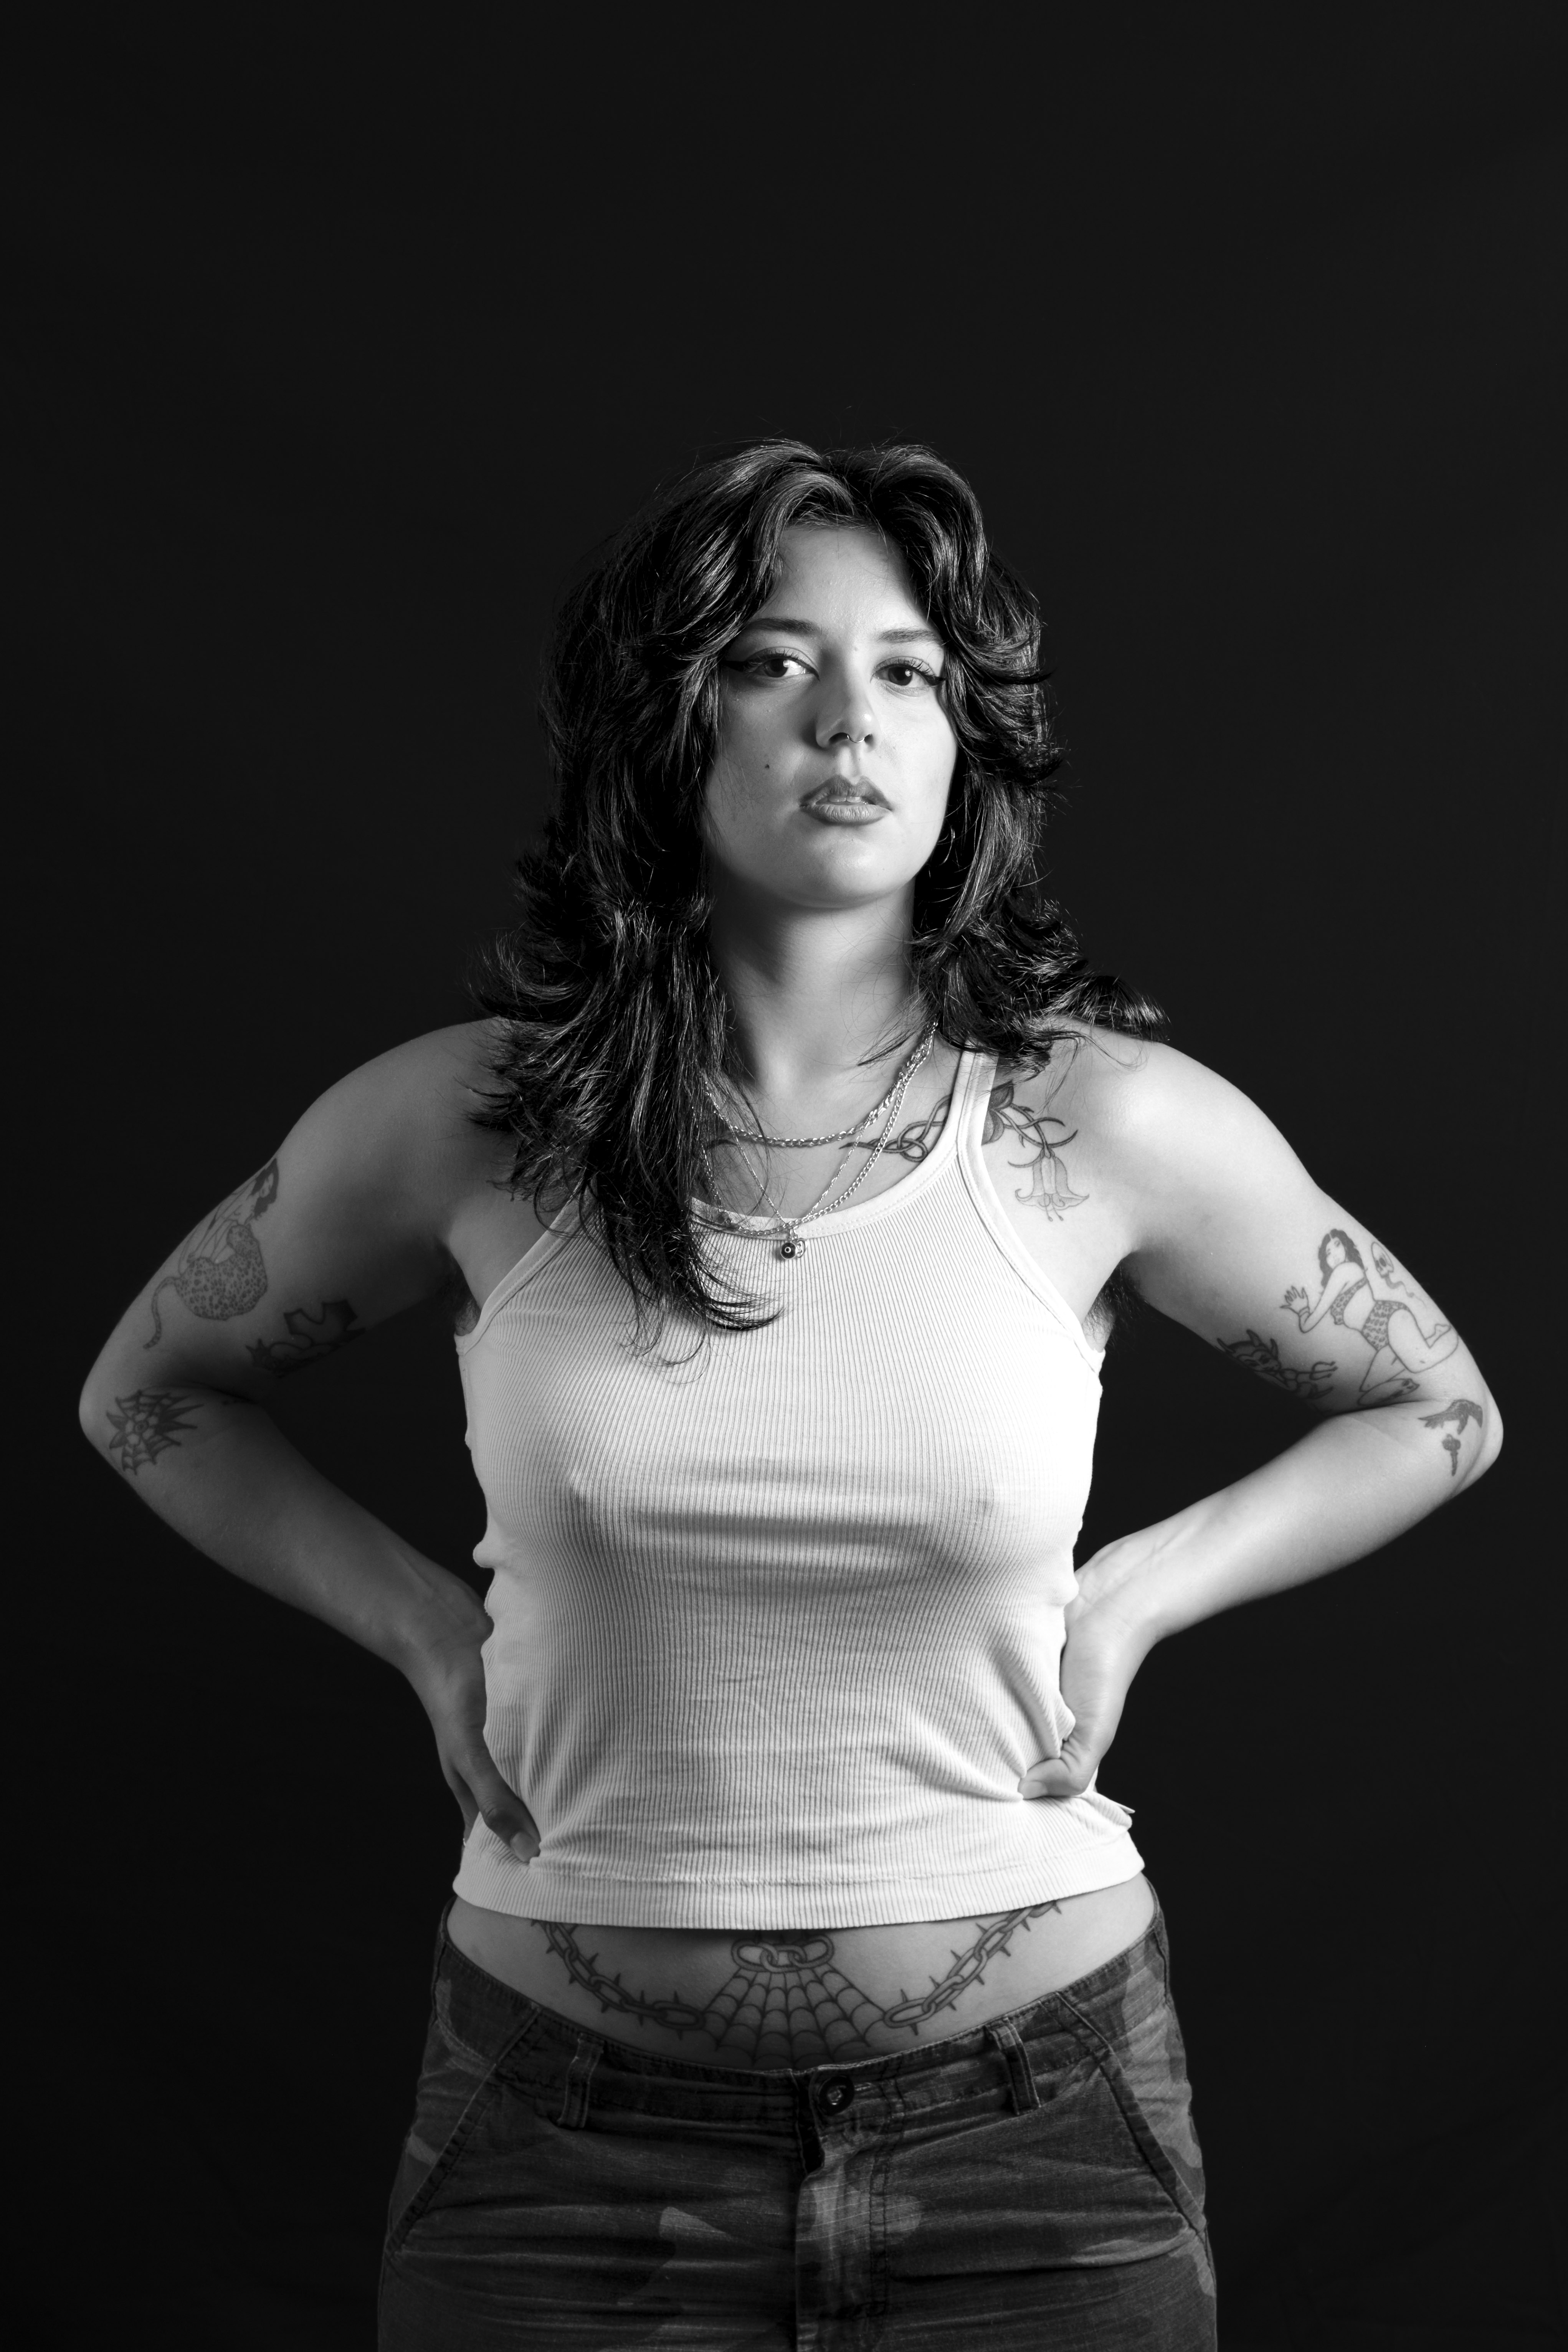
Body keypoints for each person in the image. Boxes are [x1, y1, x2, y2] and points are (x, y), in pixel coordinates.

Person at [79, 440, 1502, 2350]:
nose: (851, 719)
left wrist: (1137, 1591)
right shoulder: (468, 1122)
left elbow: (1436, 1407)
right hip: (559, 2158)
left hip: (1034, 2143)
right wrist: (422, 1626)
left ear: (965, 737)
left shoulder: (1097, 1123)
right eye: (772, 661)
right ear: (665, 717)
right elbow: (150, 1391)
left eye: (907, 669)